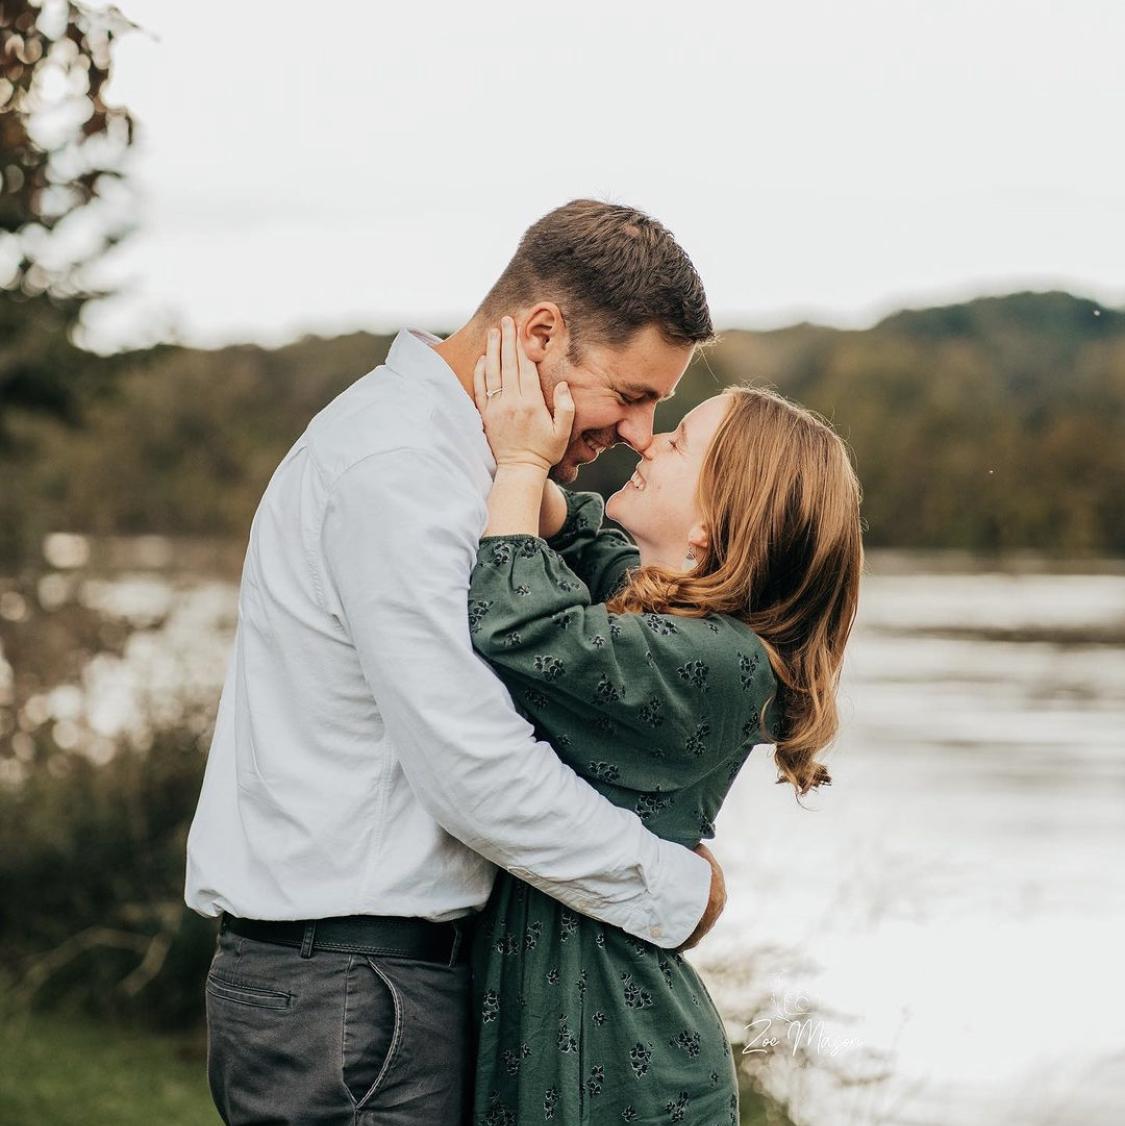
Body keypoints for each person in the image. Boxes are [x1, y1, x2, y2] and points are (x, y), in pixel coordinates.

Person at [185, 199, 730, 1125]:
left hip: (372, 988)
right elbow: (471, 765)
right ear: (543, 331)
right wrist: (675, 890)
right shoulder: (400, 469)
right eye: (631, 394)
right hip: (354, 1002)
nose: (637, 432)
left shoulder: (463, 462)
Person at [465, 319, 863, 1124]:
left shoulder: (721, 663)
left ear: (711, 527)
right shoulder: (668, 620)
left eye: (678, 445)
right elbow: (579, 536)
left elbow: (521, 625)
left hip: (618, 1056)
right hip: (562, 1014)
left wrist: (517, 461)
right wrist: (516, 437)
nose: (648, 446)